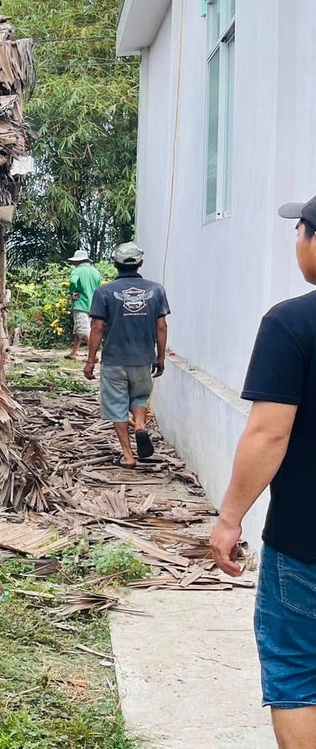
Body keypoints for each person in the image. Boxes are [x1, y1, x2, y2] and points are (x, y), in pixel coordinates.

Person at [210, 195, 316, 748]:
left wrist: (230, 518)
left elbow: (269, 433)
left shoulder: (292, 323)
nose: (296, 240)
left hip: (304, 544)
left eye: (300, 230)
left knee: (298, 677)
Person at [84, 242, 170, 467]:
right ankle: (140, 425)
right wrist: (160, 357)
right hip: (143, 358)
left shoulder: (104, 292)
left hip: (114, 359)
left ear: (115, 264)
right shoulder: (155, 290)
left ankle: (128, 455)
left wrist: (90, 361)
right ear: (140, 263)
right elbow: (161, 327)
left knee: (117, 406)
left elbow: (97, 328)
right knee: (139, 397)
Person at [67, 250, 102, 360]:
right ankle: (73, 353)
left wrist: (73, 292)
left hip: (80, 304)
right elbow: (99, 287)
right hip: (93, 305)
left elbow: (73, 282)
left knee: (83, 330)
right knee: (80, 329)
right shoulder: (95, 272)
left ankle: (94, 355)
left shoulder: (77, 271)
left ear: (78, 261)